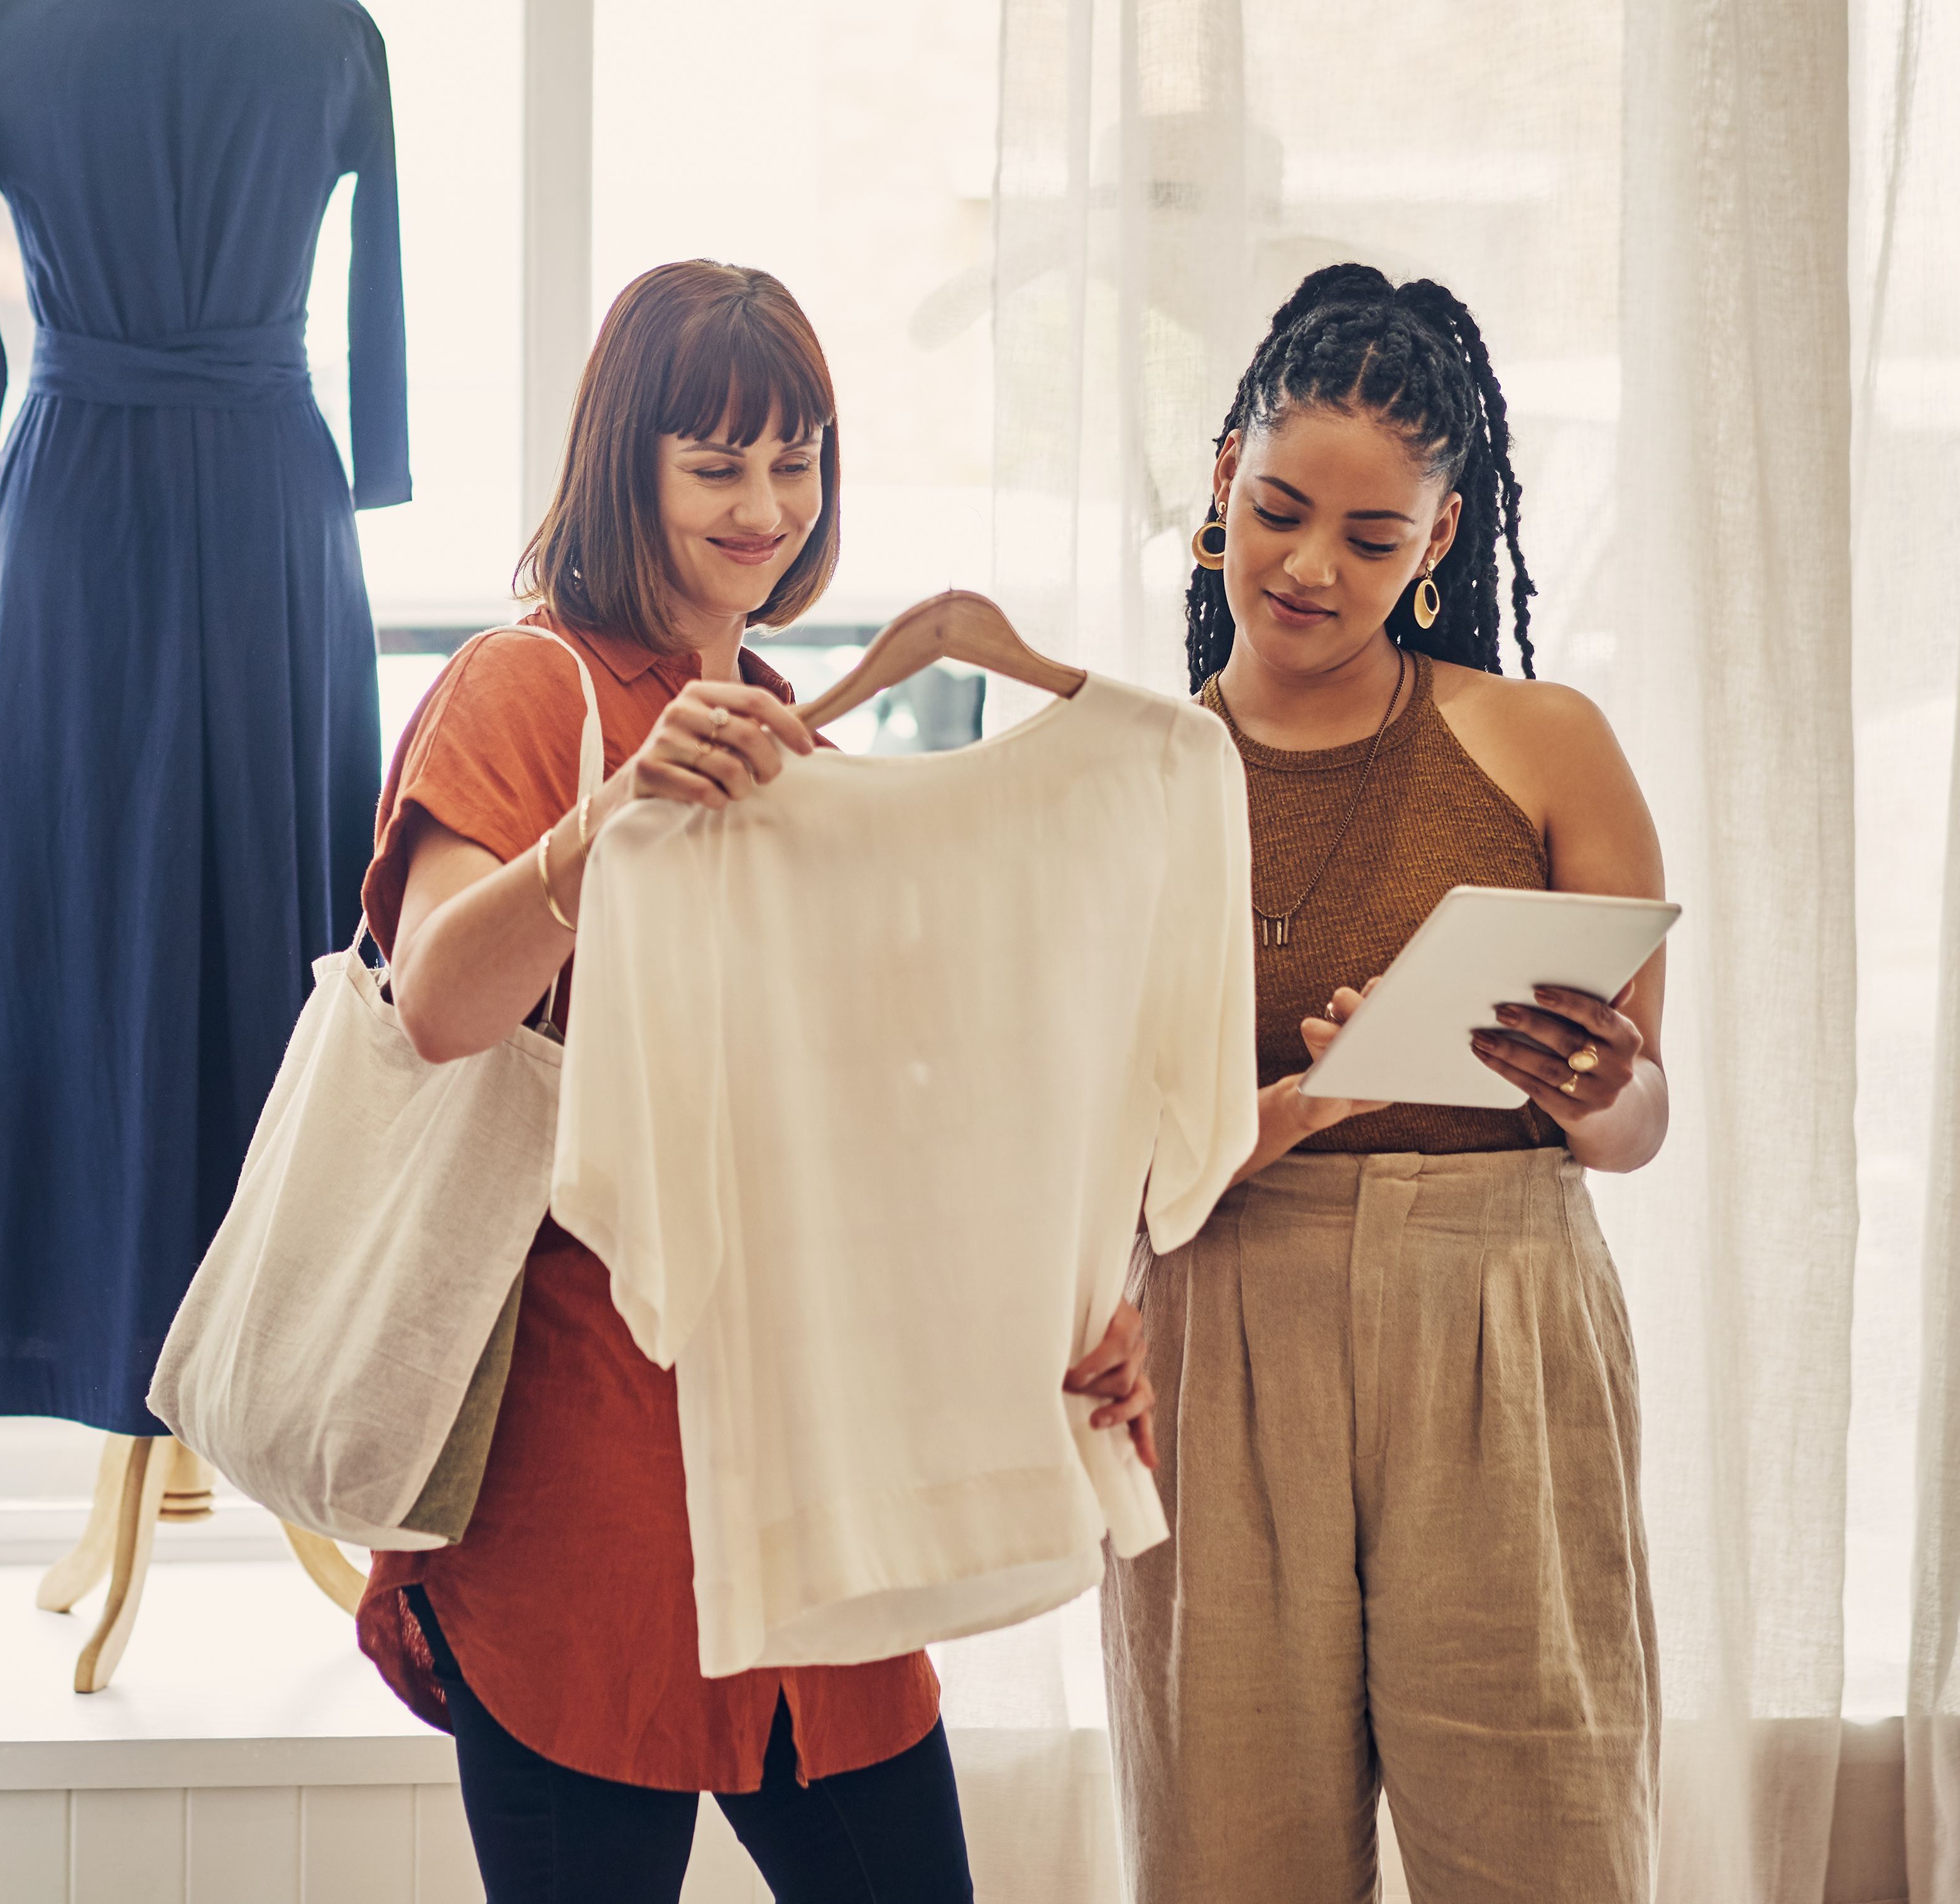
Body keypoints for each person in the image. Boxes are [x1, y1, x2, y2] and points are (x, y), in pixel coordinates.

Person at [357, 259, 1153, 1903]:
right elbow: (432, 1006)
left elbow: (872, 1153)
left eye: (793, 459)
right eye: (714, 462)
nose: (763, 504)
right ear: (622, 465)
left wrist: (1064, 1327)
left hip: (809, 1472)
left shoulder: (791, 733)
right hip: (581, 1488)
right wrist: (609, 818)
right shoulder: (532, 688)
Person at [1104, 263, 1668, 1903]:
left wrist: (1595, 1085)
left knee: (1541, 1832)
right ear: (1220, 483)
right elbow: (1105, 1174)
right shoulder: (1133, 780)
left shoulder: (1545, 741)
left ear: (1437, 543)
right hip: (1213, 1322)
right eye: (1280, 511)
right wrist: (1308, 1104)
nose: (1309, 568)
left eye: (1369, 538)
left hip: (1499, 1302)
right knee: (1231, 1848)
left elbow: (1637, 1132)